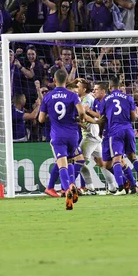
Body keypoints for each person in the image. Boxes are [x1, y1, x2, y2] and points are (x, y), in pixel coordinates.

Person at [38, 69, 97, 210]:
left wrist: (51, 116)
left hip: (57, 135)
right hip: (72, 135)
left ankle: (68, 188)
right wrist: (81, 120)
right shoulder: (73, 95)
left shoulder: (48, 97)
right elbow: (82, 112)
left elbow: (40, 119)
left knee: (62, 164)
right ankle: (71, 184)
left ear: (54, 80)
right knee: (75, 160)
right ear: (66, 81)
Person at [103, 75, 138, 196]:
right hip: (128, 129)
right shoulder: (128, 97)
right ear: (119, 87)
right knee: (132, 157)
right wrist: (137, 112)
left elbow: (102, 117)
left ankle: (120, 188)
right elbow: (134, 117)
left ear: (109, 87)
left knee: (116, 159)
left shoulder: (106, 99)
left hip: (115, 131)